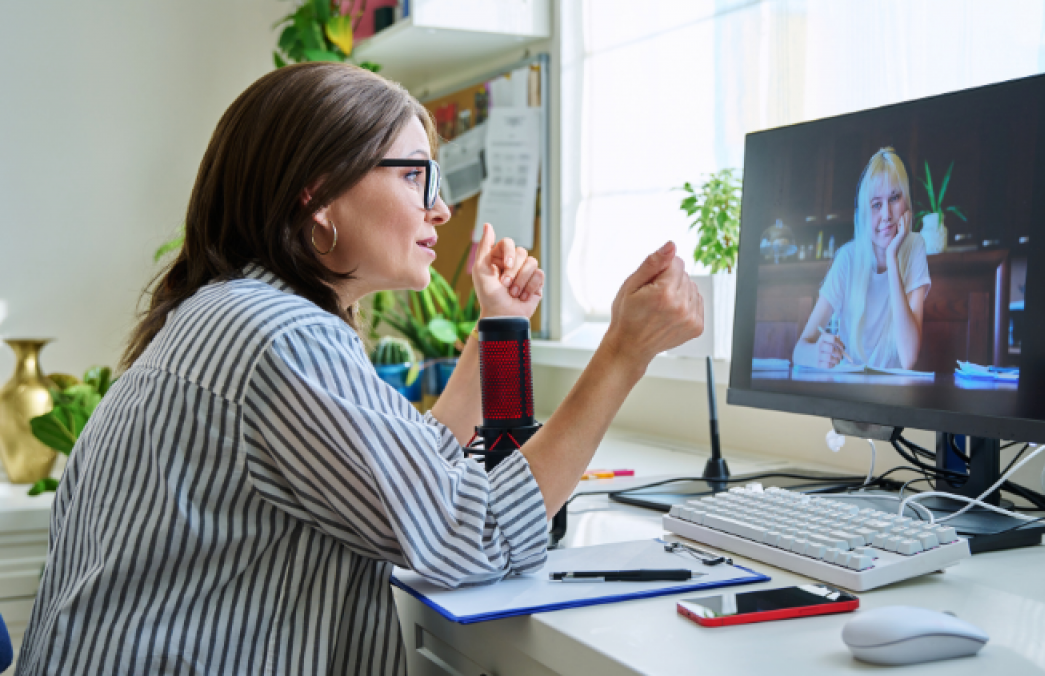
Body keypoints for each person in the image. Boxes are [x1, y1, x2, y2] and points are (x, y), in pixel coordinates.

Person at [16, 63, 702, 676]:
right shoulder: (278, 337)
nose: (440, 207)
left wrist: (500, 330)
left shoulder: (233, 312)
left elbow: (420, 463)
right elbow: (477, 532)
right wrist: (624, 353)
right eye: (412, 175)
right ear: (317, 196)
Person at [792, 147, 930, 370]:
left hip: (893, 396)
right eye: (876, 204)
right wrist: (817, 354)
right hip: (851, 390)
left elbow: (909, 358)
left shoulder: (914, 246)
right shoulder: (848, 258)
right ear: (865, 212)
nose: (886, 214)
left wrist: (892, 257)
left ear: (906, 203)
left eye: (894, 198)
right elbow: (798, 351)